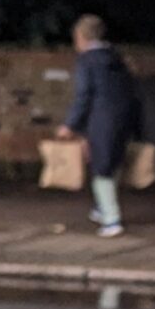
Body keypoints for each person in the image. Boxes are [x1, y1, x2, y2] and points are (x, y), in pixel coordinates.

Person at [57, 14, 141, 237]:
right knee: (111, 163)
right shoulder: (116, 57)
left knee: (101, 168)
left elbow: (84, 95)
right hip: (123, 116)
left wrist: (70, 125)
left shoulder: (87, 61)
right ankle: (101, 208)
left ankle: (111, 219)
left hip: (101, 118)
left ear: (81, 36)